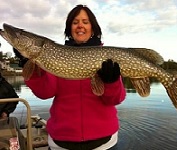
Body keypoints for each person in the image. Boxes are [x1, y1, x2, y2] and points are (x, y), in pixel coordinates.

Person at [14, 4, 126, 150]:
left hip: (104, 143)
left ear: (93, 28)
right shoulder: (56, 55)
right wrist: (30, 66)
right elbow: (45, 92)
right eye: (75, 22)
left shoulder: (106, 57)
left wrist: (111, 82)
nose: (80, 26)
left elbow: (115, 99)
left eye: (85, 22)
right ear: (69, 28)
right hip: (61, 142)